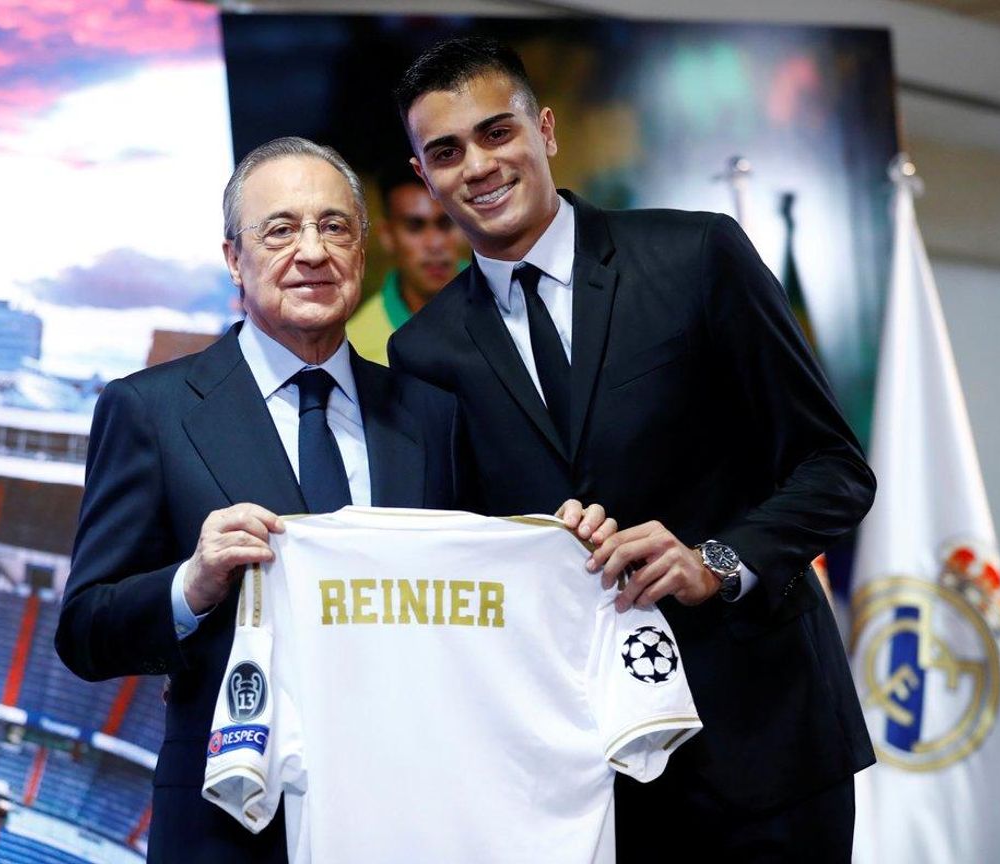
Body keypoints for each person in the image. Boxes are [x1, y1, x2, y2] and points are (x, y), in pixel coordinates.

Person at [55, 135, 610, 863]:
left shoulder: (431, 415)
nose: (311, 251)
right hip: (229, 830)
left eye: (334, 226)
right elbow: (85, 632)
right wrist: (192, 584)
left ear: (361, 252)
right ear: (233, 259)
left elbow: (487, 592)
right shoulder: (151, 410)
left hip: (412, 813)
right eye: (279, 230)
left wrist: (561, 545)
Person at [389, 37, 877, 862]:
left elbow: (835, 468)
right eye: (446, 151)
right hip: (587, 777)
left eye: (496, 132)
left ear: (544, 130)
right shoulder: (425, 354)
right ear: (424, 174)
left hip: (767, 745)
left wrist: (714, 561)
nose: (476, 165)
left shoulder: (696, 255)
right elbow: (460, 570)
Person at [346, 162, 467, 364]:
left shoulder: (508, 297)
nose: (435, 244)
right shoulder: (358, 349)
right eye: (415, 227)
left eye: (446, 223)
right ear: (387, 236)